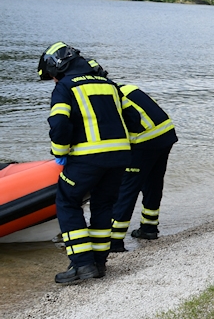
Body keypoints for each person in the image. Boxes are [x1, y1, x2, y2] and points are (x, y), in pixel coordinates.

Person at [38, 42, 139, 283]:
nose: (53, 81)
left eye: (52, 76)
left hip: (87, 158)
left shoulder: (65, 87)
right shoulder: (109, 85)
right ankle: (99, 263)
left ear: (58, 67)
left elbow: (60, 125)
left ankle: (82, 264)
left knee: (67, 202)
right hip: (119, 158)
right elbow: (134, 119)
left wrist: (59, 151)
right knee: (103, 205)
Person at [109, 84, 178, 251]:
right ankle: (149, 228)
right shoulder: (128, 88)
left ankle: (115, 242)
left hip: (144, 141)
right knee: (153, 182)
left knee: (127, 188)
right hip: (166, 134)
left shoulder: (109, 100)